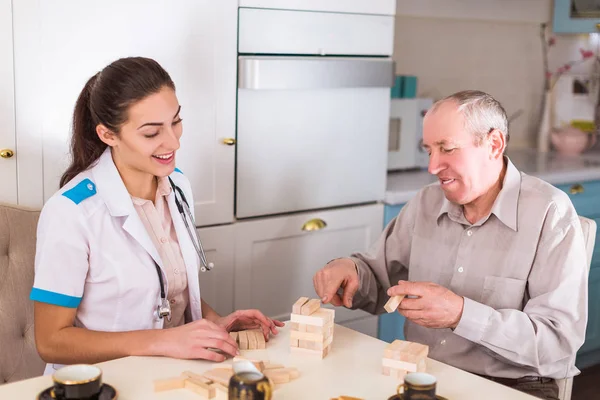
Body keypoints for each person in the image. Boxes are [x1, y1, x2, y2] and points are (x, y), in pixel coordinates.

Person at [313, 90, 588, 400]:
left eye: (447, 148)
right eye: (428, 150)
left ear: (493, 144)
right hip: (421, 376)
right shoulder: (426, 203)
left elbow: (557, 342)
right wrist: (349, 270)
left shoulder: (550, 213)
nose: (433, 166)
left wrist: (460, 314)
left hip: (513, 386)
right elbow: (376, 278)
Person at [30, 57, 283, 376]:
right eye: (152, 132)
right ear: (108, 135)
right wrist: (162, 341)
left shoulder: (177, 185)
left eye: (175, 122)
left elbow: (168, 285)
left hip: (172, 374)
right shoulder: (70, 212)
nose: (174, 142)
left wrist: (213, 323)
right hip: (101, 383)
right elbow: (51, 341)